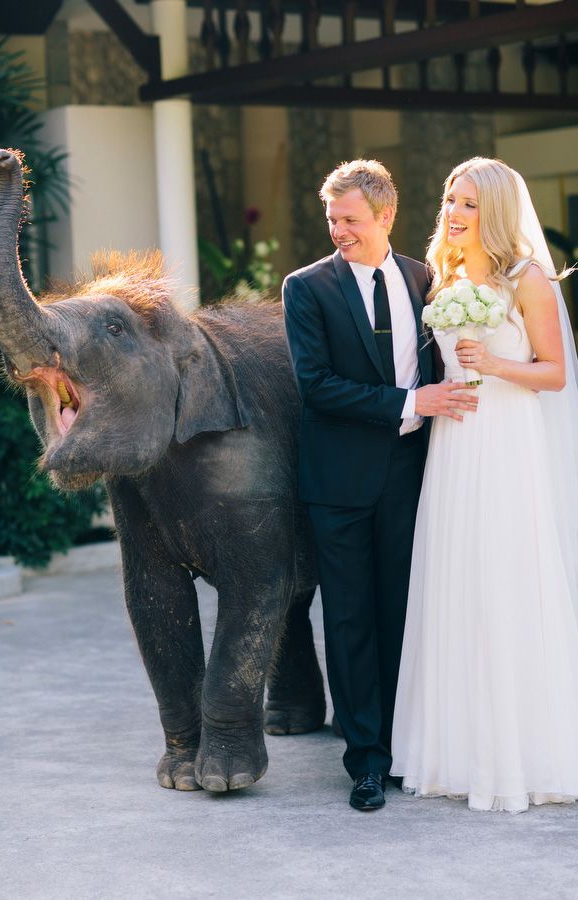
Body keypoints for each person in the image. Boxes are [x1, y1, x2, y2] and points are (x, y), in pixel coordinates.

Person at [282, 159, 478, 811]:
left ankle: (401, 747)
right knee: (349, 621)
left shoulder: (425, 280)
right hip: (336, 484)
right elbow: (317, 386)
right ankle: (365, 761)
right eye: (331, 219)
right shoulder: (305, 288)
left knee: (402, 614)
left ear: (386, 215)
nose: (338, 230)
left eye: (350, 219)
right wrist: (410, 404)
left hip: (408, 477)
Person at [391, 156, 578, 813]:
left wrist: (497, 364)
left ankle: (521, 752)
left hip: (507, 445)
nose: (453, 212)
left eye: (468, 203)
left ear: (494, 211)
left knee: (506, 580)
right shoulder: (441, 276)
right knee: (457, 581)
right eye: (449, 198)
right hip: (454, 445)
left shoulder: (528, 278)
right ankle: (454, 751)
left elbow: (555, 373)